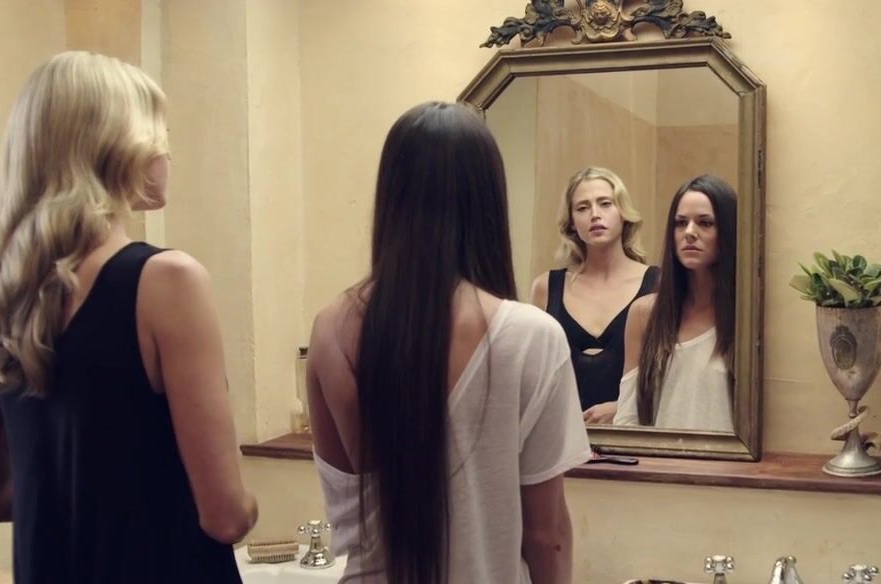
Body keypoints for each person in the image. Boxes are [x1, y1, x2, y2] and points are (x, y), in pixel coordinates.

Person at [0, 51, 255, 583]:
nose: (167, 153)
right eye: (160, 134)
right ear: (119, 149)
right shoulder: (168, 281)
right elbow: (226, 516)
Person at [307, 101, 591, 584]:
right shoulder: (531, 337)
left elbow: (345, 494)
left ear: (391, 196)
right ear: (488, 202)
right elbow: (547, 536)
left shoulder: (330, 327)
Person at [531, 167, 658, 423]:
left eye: (605, 203)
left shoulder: (657, 284)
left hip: (634, 435)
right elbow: (534, 377)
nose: (595, 214)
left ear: (623, 213)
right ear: (571, 222)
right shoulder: (546, 287)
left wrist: (623, 407)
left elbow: (674, 374)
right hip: (561, 436)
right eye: (582, 207)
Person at [615, 175, 738, 433]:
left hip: (727, 457)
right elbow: (628, 419)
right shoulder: (644, 314)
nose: (690, 233)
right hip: (657, 457)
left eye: (705, 223)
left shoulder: (744, 318)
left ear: (727, 231)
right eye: (680, 223)